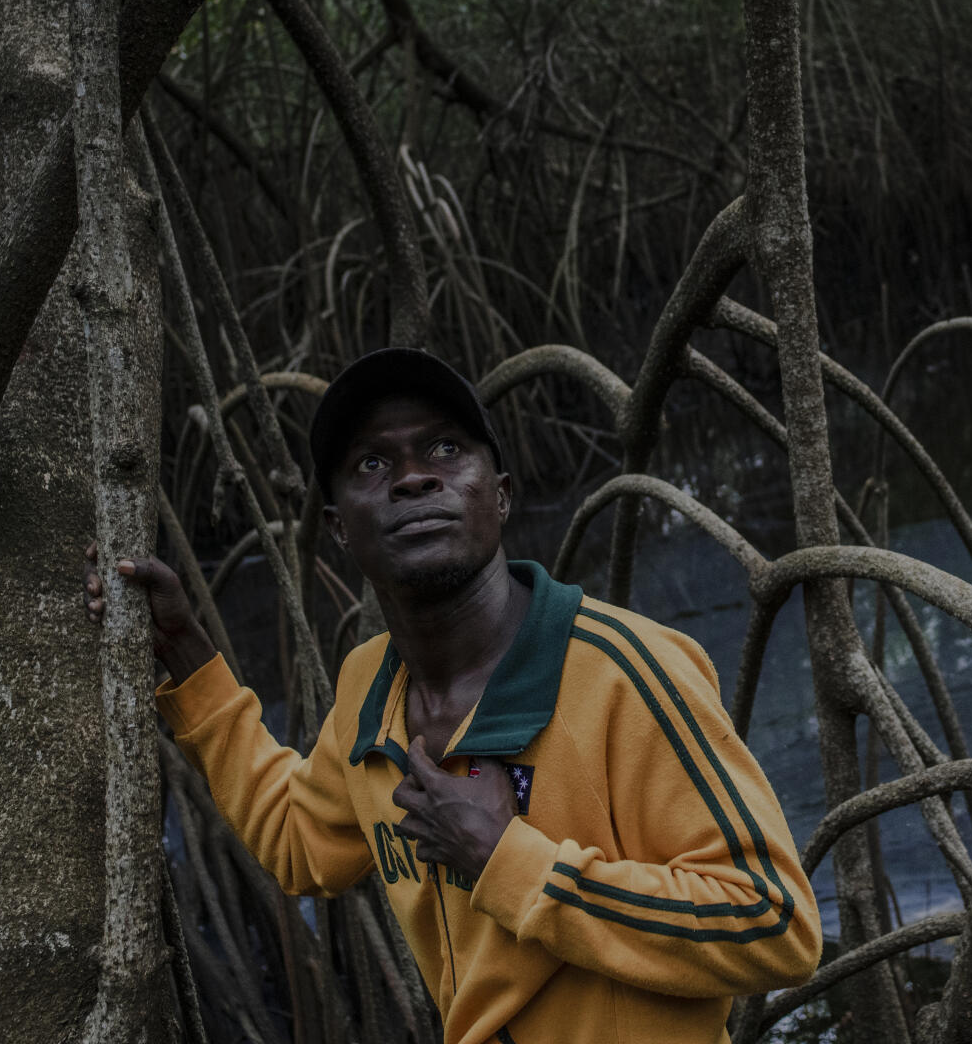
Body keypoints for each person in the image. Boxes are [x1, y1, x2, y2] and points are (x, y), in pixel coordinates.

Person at [86, 347, 821, 1044]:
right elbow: (299, 843)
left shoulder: (624, 672)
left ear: (498, 497)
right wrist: (186, 655)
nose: (412, 478)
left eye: (444, 450)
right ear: (340, 529)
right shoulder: (370, 686)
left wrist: (506, 858)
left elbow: (773, 922)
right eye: (373, 462)